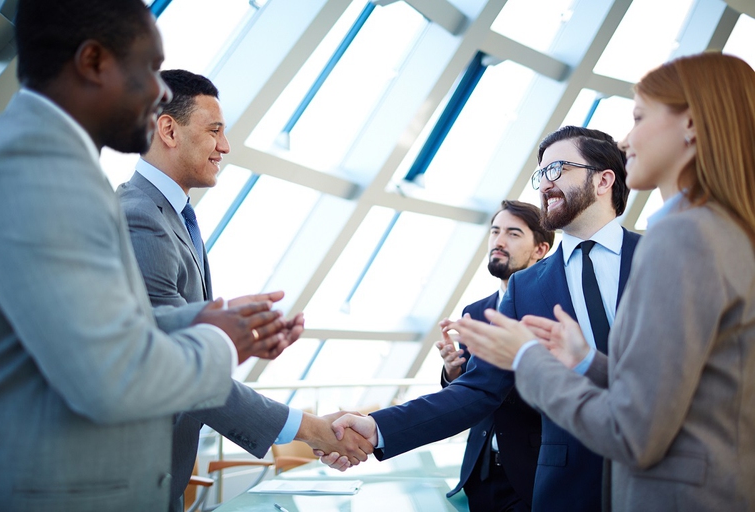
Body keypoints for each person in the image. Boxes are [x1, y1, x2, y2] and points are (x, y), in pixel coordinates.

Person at [0, 2, 370, 511]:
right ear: (93, 61)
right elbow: (111, 374)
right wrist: (219, 340)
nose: (156, 92)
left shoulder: (60, 166)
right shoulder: (47, 174)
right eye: (149, 68)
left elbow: (100, 325)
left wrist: (200, 317)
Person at [451, 52, 755, 511]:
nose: (627, 139)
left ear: (690, 124)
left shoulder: (681, 238)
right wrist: (587, 361)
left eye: (639, 117)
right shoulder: (728, 232)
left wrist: (529, 358)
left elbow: (633, 433)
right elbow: (693, 392)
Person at [323, 125, 637, 512]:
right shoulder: (526, 287)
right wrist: (376, 427)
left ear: (604, 179)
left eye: (558, 169)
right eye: (541, 174)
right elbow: (478, 390)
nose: (544, 184)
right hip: (568, 489)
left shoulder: (662, 254)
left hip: (669, 475)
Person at [117, 69, 308, 511]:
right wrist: (307, 429)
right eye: (214, 131)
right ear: (168, 129)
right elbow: (178, 361)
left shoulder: (172, 214)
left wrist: (243, 337)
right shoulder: (139, 217)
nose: (224, 147)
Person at [436, 200, 553, 511]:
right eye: (495, 231)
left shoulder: (551, 313)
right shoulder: (475, 312)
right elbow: (466, 396)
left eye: (513, 234)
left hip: (532, 474)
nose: (499, 241)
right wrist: (454, 372)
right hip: (479, 474)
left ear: (540, 250)